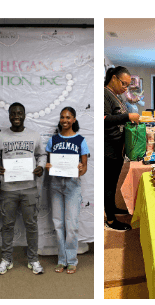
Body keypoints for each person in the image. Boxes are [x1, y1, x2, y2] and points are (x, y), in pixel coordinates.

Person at [0, 102, 47, 275]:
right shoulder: (0, 136)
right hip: (8, 189)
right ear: (9, 115)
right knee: (7, 225)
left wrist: (41, 166)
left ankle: (33, 260)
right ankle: (6, 259)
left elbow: (42, 154)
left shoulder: (34, 135)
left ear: (24, 115)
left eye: (19, 113)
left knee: (31, 225)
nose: (16, 116)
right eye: (13, 113)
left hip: (29, 187)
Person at [45, 107, 89, 274]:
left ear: (74, 120)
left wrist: (79, 168)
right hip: (55, 185)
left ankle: (71, 260)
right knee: (58, 224)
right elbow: (48, 163)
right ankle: (61, 260)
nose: (65, 120)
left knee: (71, 225)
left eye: (68, 117)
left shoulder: (80, 140)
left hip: (72, 185)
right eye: (62, 117)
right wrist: (48, 166)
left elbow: (84, 168)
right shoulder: (53, 140)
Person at [104, 66, 140, 231]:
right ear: (113, 78)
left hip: (118, 147)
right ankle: (110, 219)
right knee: (109, 185)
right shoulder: (104, 94)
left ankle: (112, 209)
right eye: (124, 84)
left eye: (127, 85)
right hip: (109, 148)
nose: (125, 88)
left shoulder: (116, 96)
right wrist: (127, 117)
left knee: (113, 182)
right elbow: (103, 118)